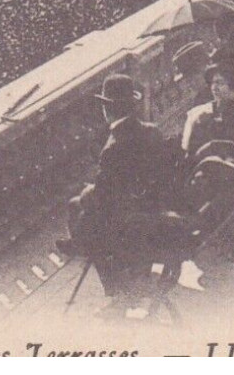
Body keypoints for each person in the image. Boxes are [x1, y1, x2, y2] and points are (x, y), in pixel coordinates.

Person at [60, 74, 183, 301]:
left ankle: (116, 289)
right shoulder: (151, 131)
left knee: (81, 214)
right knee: (83, 213)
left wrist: (88, 192)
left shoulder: (113, 147)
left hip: (132, 220)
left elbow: (103, 197)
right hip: (155, 207)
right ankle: (80, 244)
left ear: (106, 110)